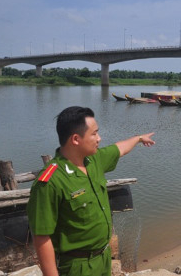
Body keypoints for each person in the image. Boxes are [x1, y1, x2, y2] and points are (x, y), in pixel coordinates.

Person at [27, 106, 155, 276]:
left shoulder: (93, 161)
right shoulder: (50, 181)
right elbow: (41, 236)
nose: (99, 138)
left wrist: (139, 138)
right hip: (76, 267)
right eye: (94, 134)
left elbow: (120, 148)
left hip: (103, 258)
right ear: (75, 139)